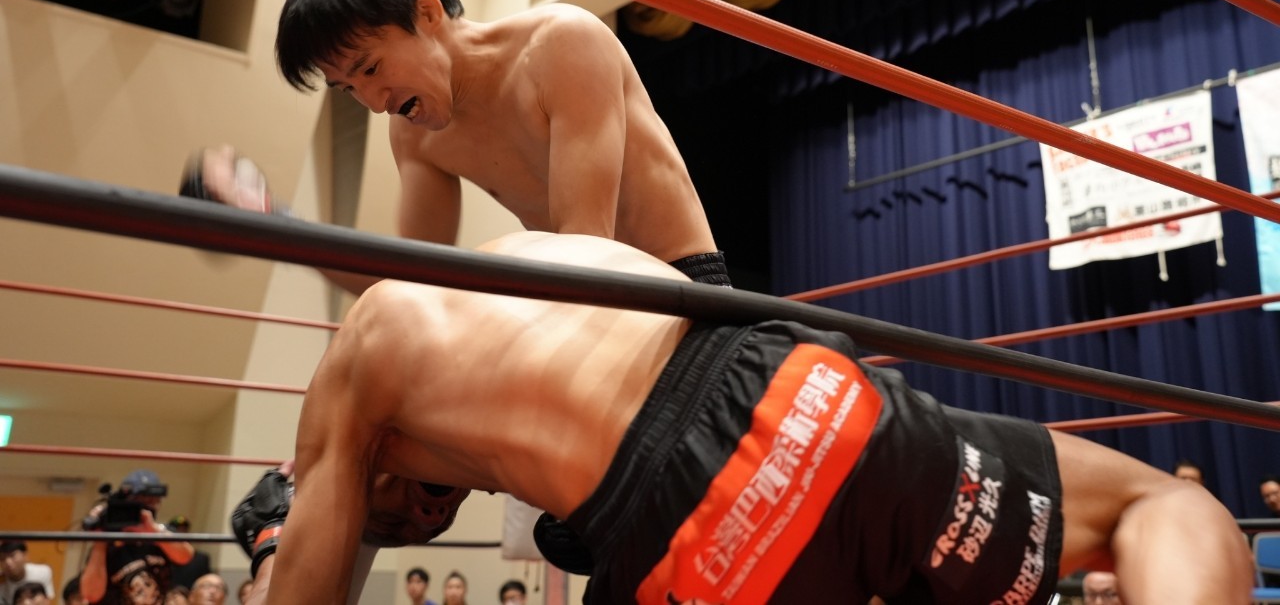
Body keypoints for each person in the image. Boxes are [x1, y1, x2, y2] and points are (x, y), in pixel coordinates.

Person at [232, 231, 1253, 604]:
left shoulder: (359, 356)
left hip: (687, 538)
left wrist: (291, 533)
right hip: (811, 396)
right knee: (1158, 503)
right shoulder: (533, 258)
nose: (431, 511)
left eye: (406, 514)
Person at [181, 0, 728, 293]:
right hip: (582, 304)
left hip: (683, 287)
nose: (374, 103)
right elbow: (414, 283)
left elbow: (587, 252)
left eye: (370, 69)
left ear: (427, 13)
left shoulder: (563, 45)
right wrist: (275, 224)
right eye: (347, 89)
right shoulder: (415, 134)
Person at [80, 469, 195, 605]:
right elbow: (91, 594)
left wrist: (153, 532)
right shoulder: (108, 542)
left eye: (152, 502)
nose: (145, 508)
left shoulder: (161, 534)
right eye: (138, 501)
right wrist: (100, 538)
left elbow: (186, 556)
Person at [164, 518, 212, 591]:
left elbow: (205, 582)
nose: (181, 533)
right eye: (177, 530)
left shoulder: (201, 559)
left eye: (184, 530)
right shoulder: (162, 557)